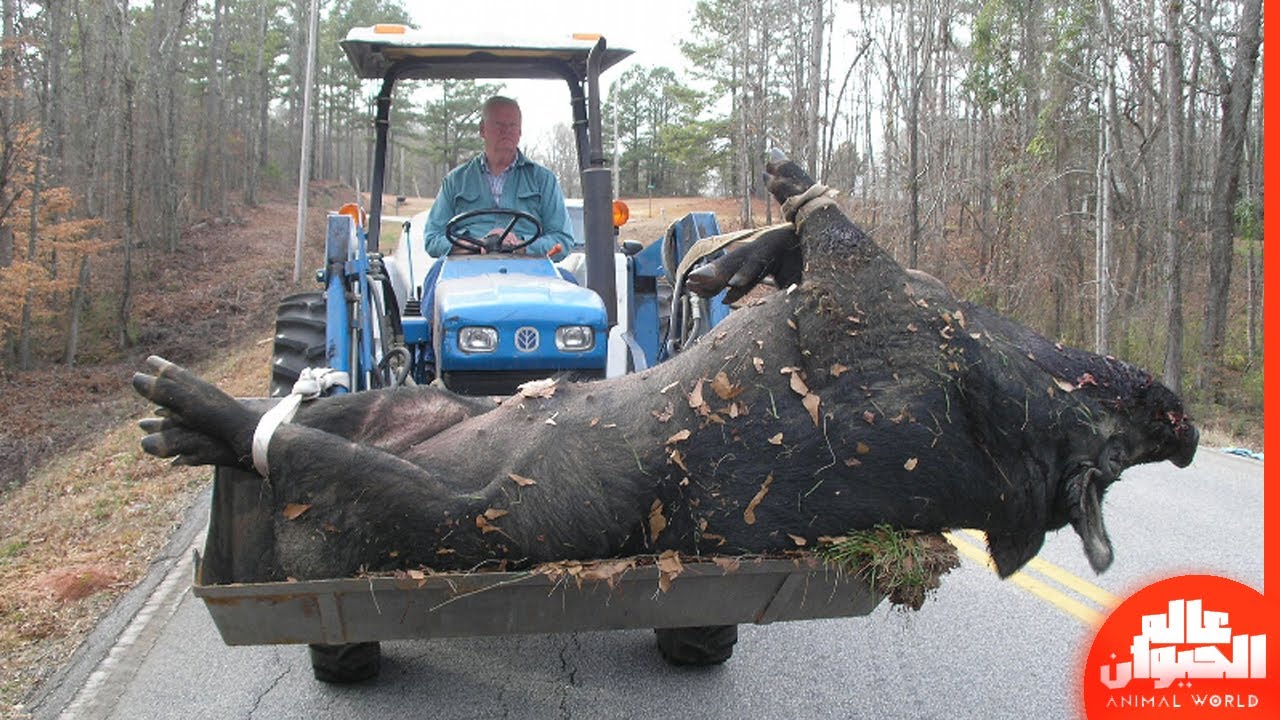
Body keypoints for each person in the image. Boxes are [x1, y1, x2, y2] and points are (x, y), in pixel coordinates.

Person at [424, 96, 574, 259]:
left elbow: (562, 240)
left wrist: (521, 246)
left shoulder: (543, 180)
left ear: (520, 132)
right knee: (432, 281)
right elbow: (432, 239)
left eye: (512, 125)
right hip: (466, 267)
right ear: (482, 129)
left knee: (569, 281)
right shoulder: (455, 181)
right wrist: (472, 244)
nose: (506, 131)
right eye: (499, 124)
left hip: (527, 269)